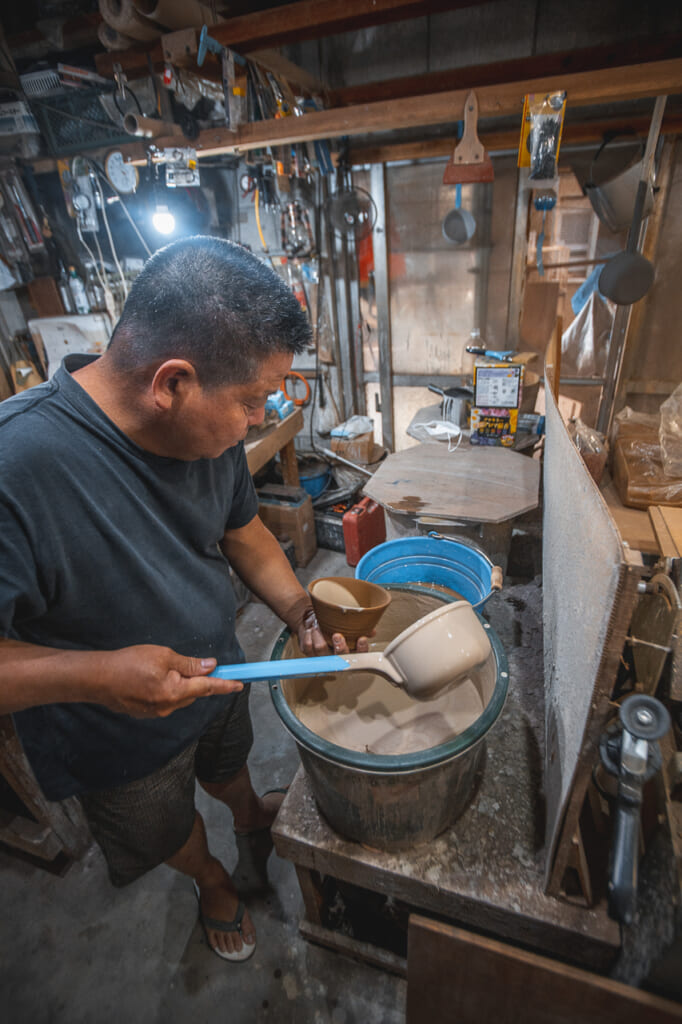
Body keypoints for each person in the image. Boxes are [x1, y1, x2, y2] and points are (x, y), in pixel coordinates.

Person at [0, 235, 360, 963]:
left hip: (223, 675)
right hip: (115, 733)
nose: (261, 418)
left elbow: (245, 532)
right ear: (172, 382)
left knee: (229, 766)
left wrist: (299, 609)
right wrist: (97, 676)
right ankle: (213, 879)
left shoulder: (209, 433)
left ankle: (246, 810)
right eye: (256, 400)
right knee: (166, 827)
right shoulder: (18, 467)